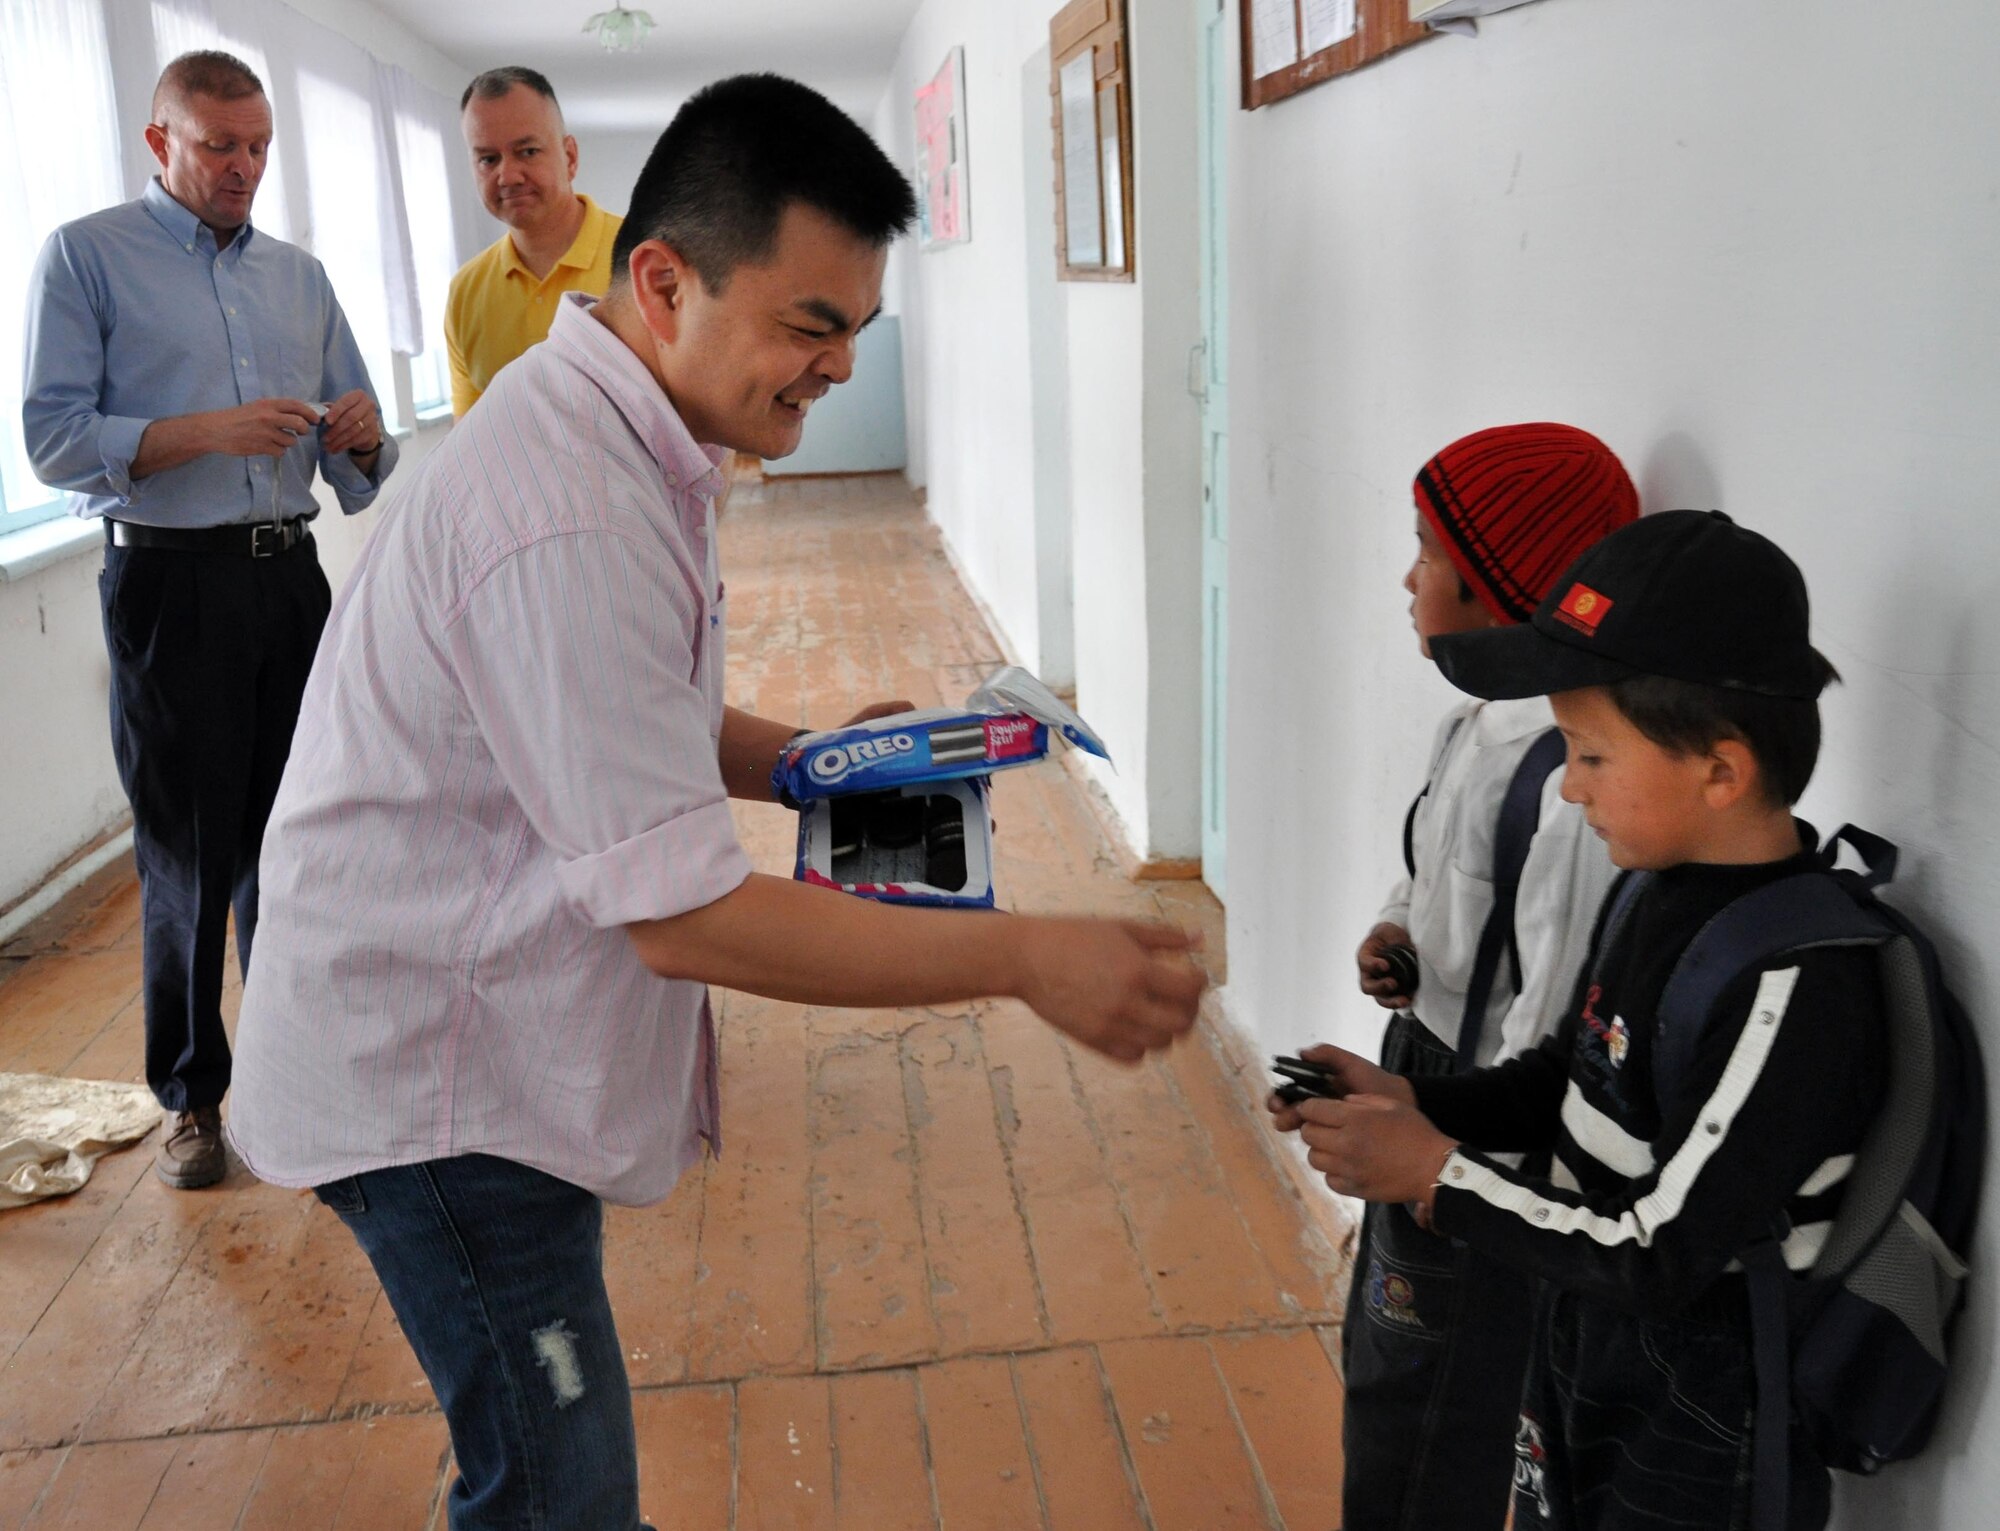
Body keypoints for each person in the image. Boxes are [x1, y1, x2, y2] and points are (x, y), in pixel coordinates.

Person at [226, 74, 1205, 1531]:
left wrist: (818, 760)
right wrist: (1027, 954)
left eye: (857, 332)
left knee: (534, 1459)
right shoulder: (567, 506)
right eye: (809, 326)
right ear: (665, 280)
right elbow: (683, 916)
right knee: (558, 1489)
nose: (837, 369)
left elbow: (635, 720)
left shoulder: (624, 445)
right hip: (433, 1088)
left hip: (474, 1049)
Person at [1282, 510, 1882, 1530]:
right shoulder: (1652, 891)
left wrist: (1436, 1172)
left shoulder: (1793, 979)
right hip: (1588, 1334)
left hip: (1700, 1417)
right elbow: (1572, 1076)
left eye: (1589, 754)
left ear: (1720, 770)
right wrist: (1414, 1096)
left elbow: (1659, 1248)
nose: (1567, 783)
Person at [21, 50, 396, 1191]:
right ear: (159, 144)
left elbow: (364, 464)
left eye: (258, 147)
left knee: (301, 839)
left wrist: (366, 435)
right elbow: (51, 440)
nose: (242, 168)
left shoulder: (300, 275)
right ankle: (194, 1097)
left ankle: (298, 1071)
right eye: (217, 146)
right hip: (169, 588)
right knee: (188, 849)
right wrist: (201, 430)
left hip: (290, 580)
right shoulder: (86, 257)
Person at [1275, 424, 1635, 1531]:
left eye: (1425, 549)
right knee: (1388, 1360)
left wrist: (1452, 1167)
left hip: (1480, 1134)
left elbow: (1551, 1017)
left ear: (1494, 587)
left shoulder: (1570, 776)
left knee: (1439, 1398)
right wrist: (1395, 938)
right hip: (1418, 1071)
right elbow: (1428, 871)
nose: (1404, 573)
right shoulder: (1470, 721)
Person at [446, 66, 623, 417]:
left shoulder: (644, 258)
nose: (507, 175)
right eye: (488, 159)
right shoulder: (466, 292)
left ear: (569, 157)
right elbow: (471, 437)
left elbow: (702, 418)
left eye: (527, 151)